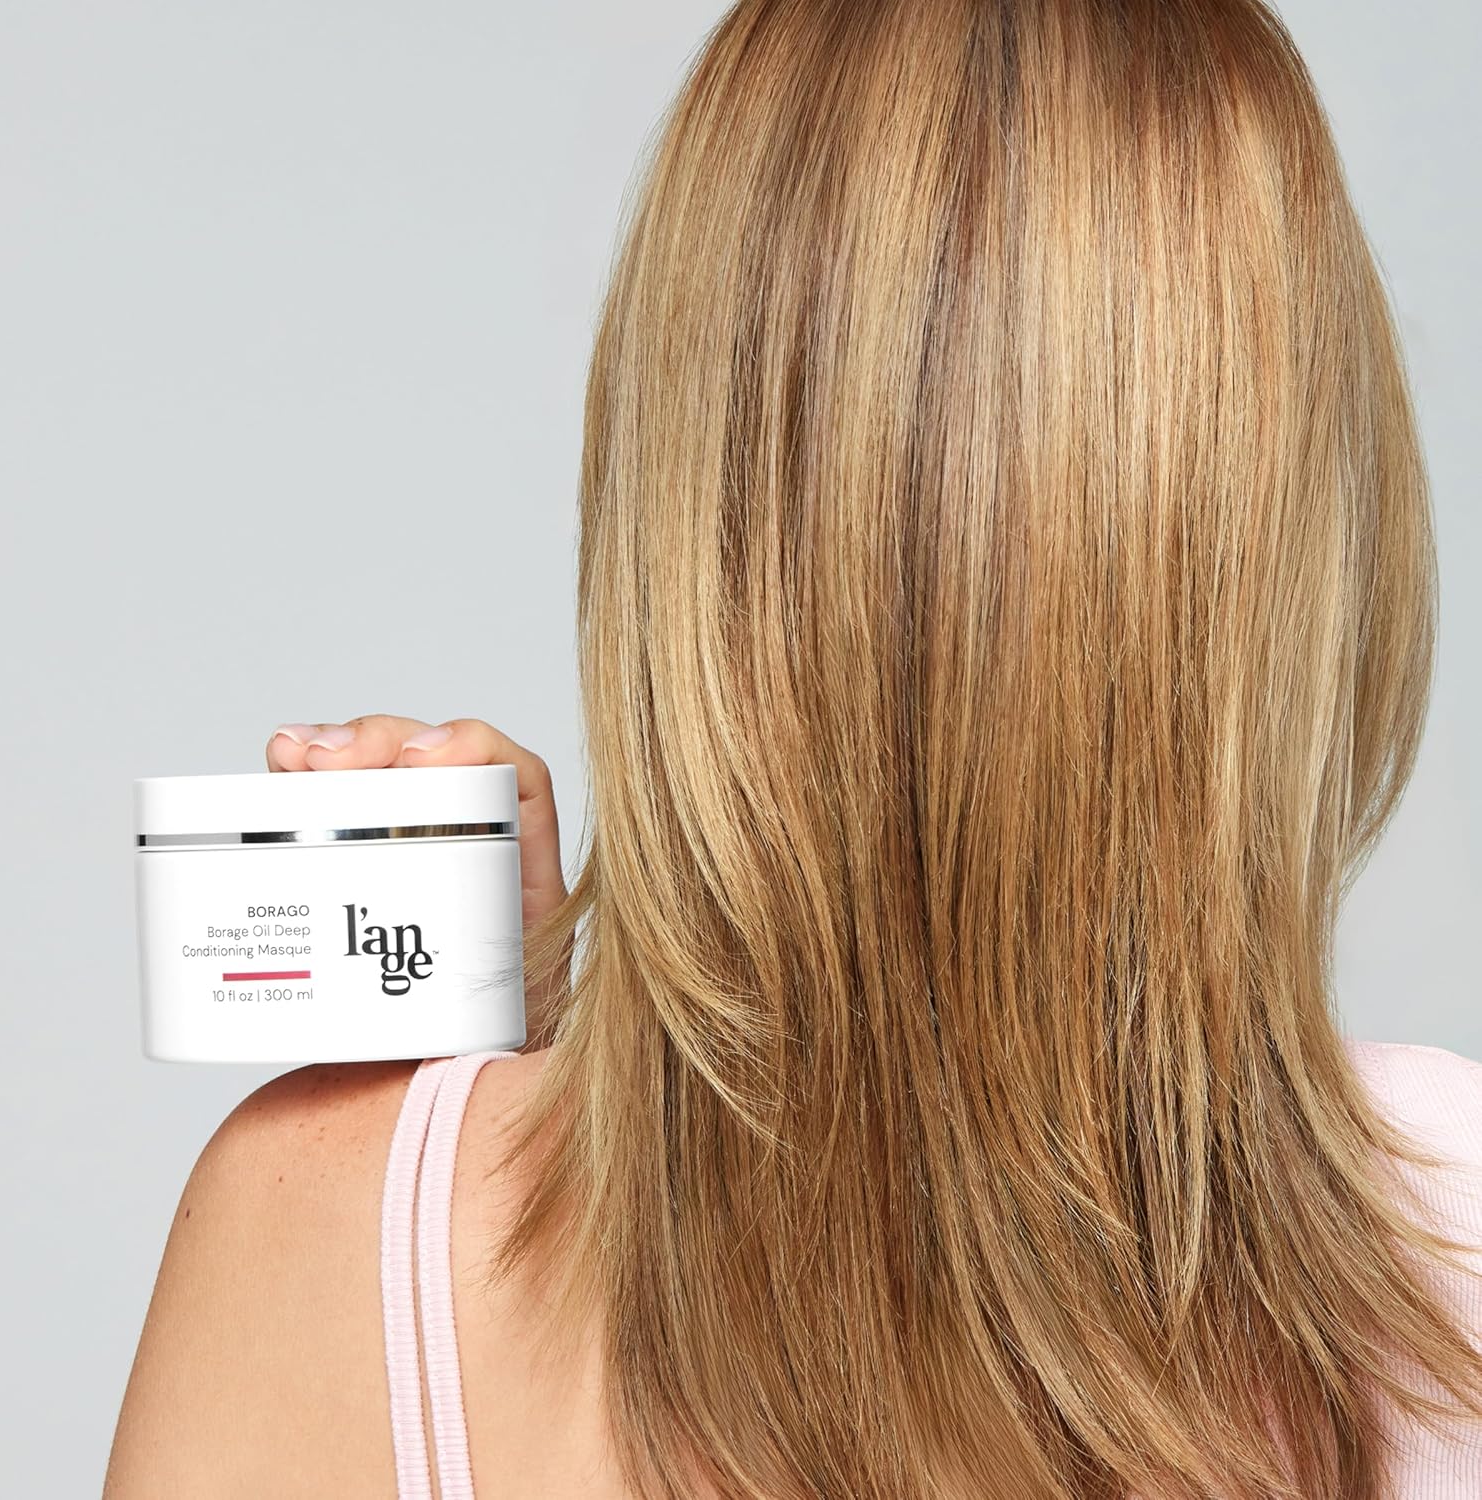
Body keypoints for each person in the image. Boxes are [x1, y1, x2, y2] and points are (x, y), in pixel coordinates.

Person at [102, 1, 1482, 1496]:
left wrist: (472, 1147)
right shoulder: (1448, 1237)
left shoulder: (328, 1236)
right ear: (1296, 528)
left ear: (677, 481)